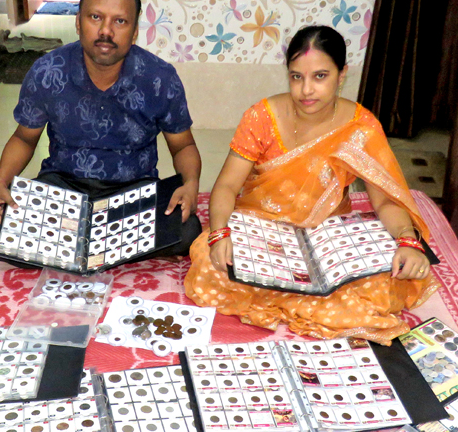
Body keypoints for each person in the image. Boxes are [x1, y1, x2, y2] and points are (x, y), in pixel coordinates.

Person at [184, 26, 440, 345]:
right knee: (210, 261)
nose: (306, 90)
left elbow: (385, 202)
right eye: (296, 77)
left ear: (341, 74)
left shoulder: (361, 127)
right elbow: (225, 187)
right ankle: (313, 303)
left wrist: (406, 240)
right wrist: (221, 232)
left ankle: (294, 298)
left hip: (327, 238)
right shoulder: (261, 117)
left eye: (320, 76)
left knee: (385, 277)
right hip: (262, 231)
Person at [0, 0, 202, 265]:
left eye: (120, 21)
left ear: (135, 30)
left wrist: (190, 183)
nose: (106, 31)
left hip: (133, 193)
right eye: (95, 17)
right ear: (77, 22)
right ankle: (106, 248)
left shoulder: (159, 78)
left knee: (187, 230)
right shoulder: (48, 71)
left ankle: (82, 247)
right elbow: (24, 137)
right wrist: (1, 181)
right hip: (64, 190)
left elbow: (183, 146)